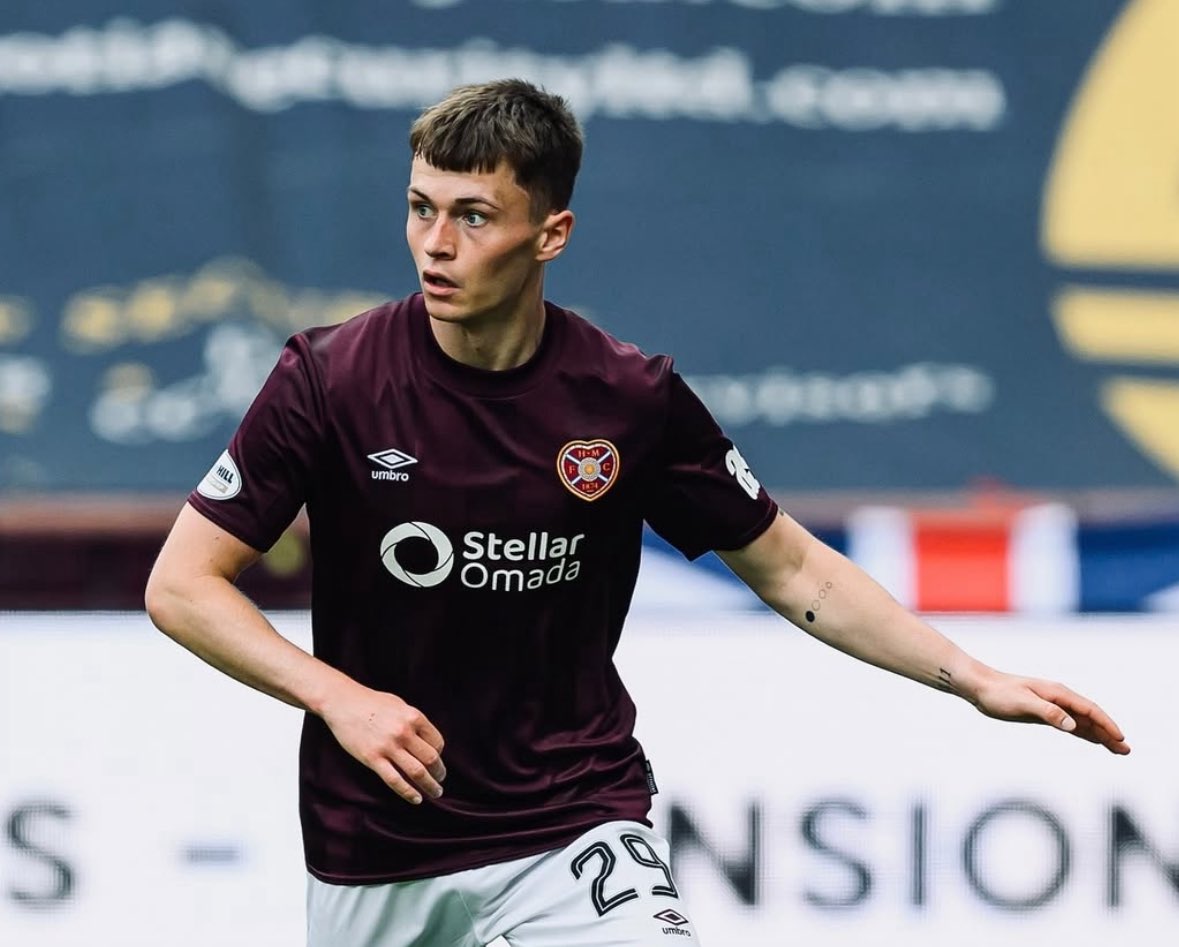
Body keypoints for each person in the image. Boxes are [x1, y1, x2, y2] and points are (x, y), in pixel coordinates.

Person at [144, 78, 1130, 947]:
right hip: (378, 841)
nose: (436, 246)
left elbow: (793, 567)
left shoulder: (627, 399)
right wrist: (337, 696)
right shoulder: (330, 379)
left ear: (551, 233)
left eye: (474, 217)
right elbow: (183, 586)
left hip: (572, 820)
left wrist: (973, 677)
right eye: (420, 208)